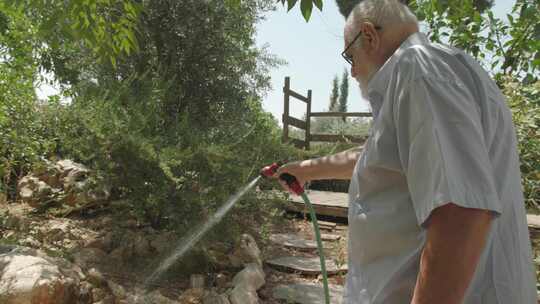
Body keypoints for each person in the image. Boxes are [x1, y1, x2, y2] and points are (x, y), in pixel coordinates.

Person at [274, 0, 536, 303]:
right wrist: (306, 169)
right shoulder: (434, 69)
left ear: (369, 36)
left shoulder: (418, 70)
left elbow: (461, 212)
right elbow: (383, 156)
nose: (352, 72)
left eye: (350, 56)